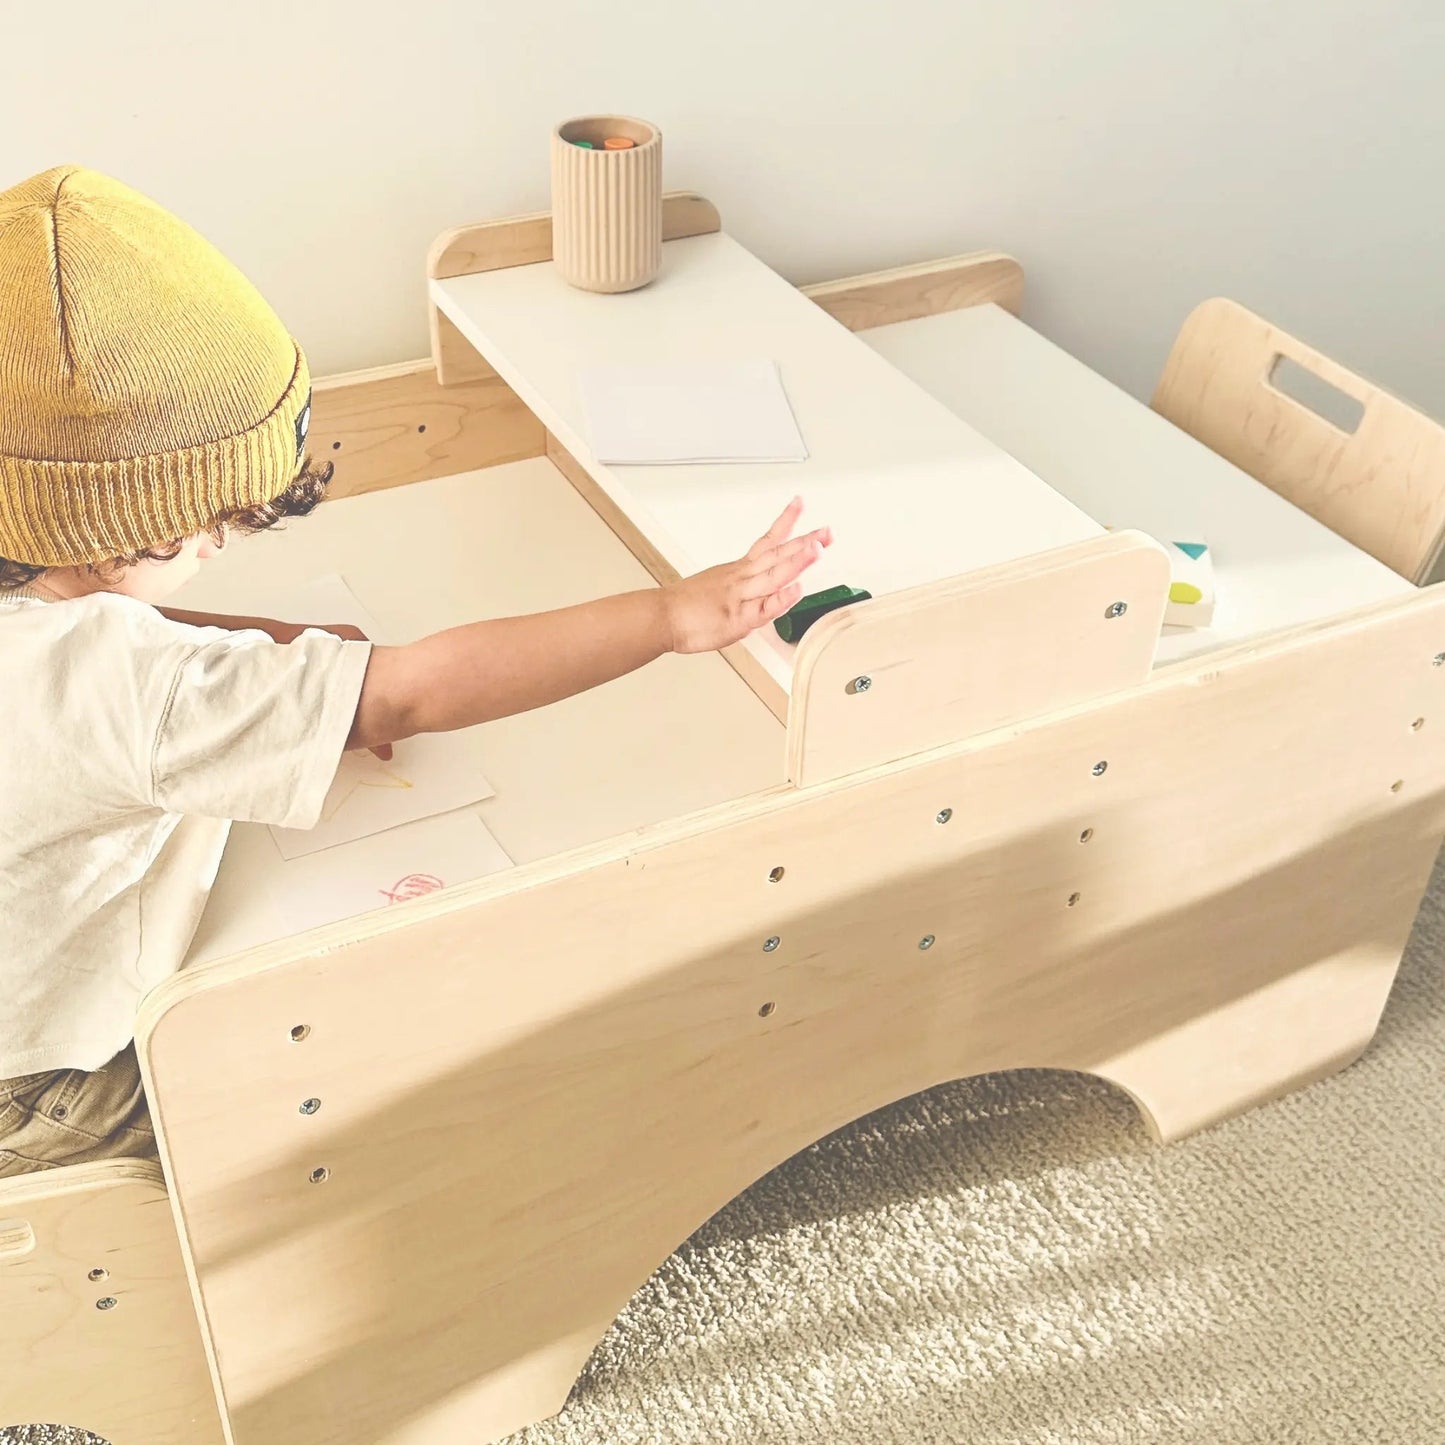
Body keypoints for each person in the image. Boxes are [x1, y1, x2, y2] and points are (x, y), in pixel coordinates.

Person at [0, 165, 829, 1176]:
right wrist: (666, 614)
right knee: (364, 1107)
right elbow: (410, 689)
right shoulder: (121, 685)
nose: (218, 547)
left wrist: (286, 648)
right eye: (208, 526)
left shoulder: (42, 602)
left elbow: (124, 623)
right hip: (47, 1084)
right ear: (115, 517)